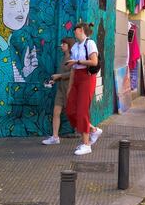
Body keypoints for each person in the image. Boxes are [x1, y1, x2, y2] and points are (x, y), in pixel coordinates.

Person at [65, 23, 103, 156]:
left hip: (87, 78)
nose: (74, 32)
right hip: (77, 79)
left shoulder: (90, 43)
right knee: (70, 110)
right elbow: (73, 70)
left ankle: (86, 144)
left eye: (75, 30)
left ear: (81, 30)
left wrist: (77, 62)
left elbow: (94, 61)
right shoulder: (75, 46)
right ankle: (92, 129)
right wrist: (70, 87)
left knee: (82, 111)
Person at [42, 37, 75, 145]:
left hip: (70, 90)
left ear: (69, 46)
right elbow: (61, 74)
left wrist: (59, 76)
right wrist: (54, 80)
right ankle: (55, 137)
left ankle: (92, 130)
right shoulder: (62, 58)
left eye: (64, 44)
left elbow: (73, 74)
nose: (61, 46)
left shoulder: (73, 58)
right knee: (56, 112)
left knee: (76, 114)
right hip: (60, 90)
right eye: (61, 44)